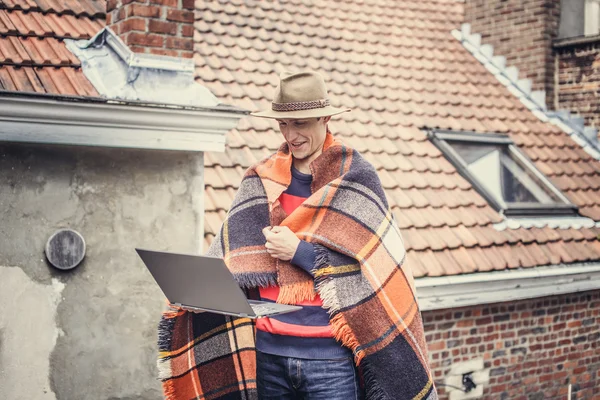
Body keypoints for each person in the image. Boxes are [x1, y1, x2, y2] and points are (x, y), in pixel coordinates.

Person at [157, 71, 437, 400]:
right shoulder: (260, 180)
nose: (291, 134)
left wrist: (299, 252)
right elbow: (232, 258)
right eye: (283, 124)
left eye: (300, 123)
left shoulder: (356, 179)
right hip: (267, 355)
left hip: (329, 358)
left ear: (325, 118)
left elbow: (373, 271)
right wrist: (192, 288)